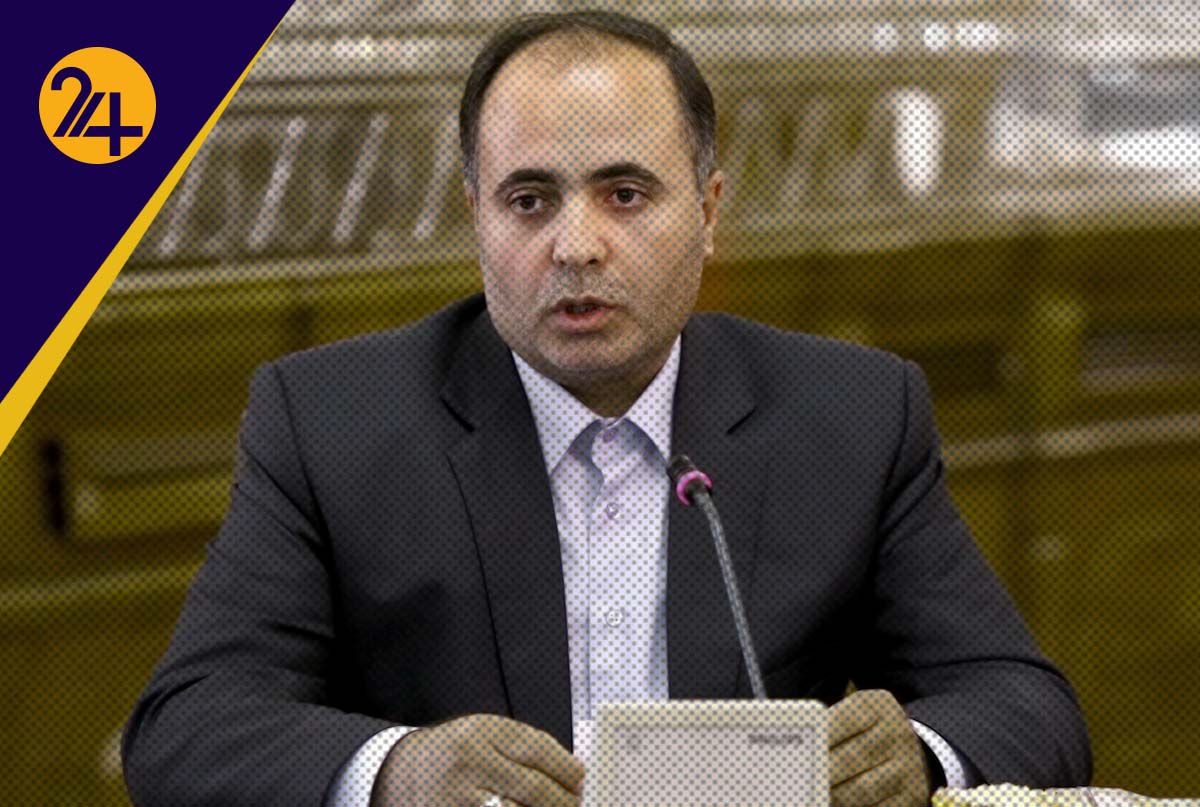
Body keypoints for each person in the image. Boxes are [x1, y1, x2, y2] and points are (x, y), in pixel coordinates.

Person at [122, 11, 1091, 807]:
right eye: (529, 201)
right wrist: (399, 772)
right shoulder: (331, 424)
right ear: (476, 217)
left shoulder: (849, 415)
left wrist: (917, 752)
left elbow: (1026, 704)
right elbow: (184, 729)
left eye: (624, 194)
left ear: (708, 211)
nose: (576, 246)